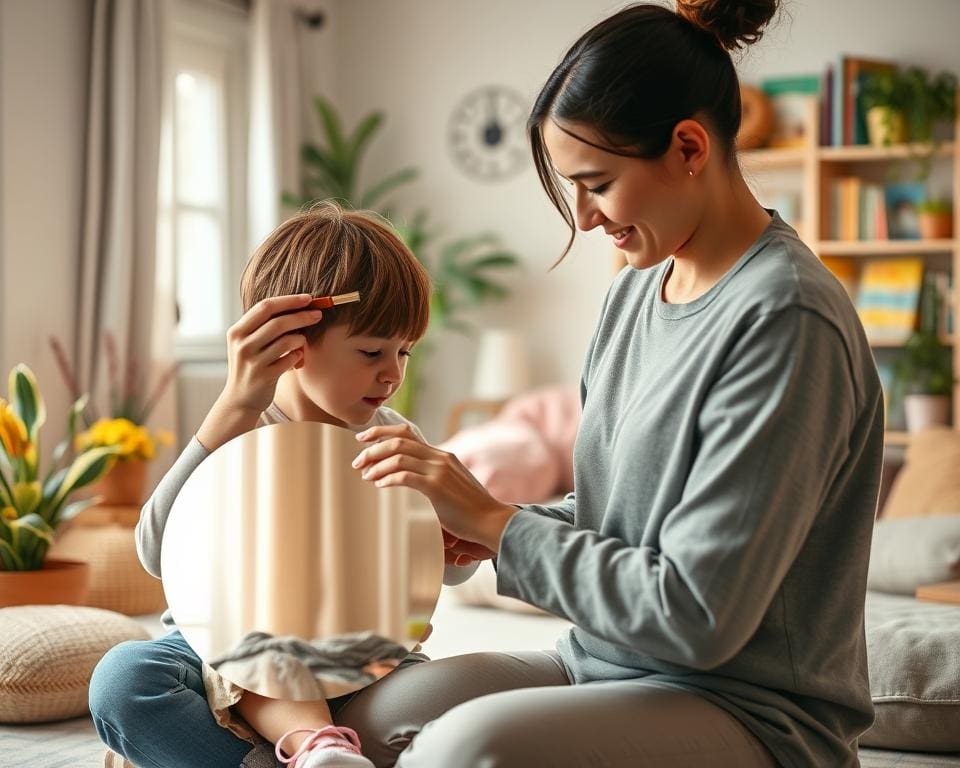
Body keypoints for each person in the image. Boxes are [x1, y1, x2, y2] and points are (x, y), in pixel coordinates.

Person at [339, 2, 885, 767]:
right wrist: (481, 522)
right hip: (603, 661)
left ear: (688, 146)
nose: (586, 218)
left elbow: (697, 615)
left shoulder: (786, 320)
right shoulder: (636, 292)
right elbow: (614, 514)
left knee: (462, 751)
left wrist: (500, 523)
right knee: (365, 716)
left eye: (597, 184)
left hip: (750, 710)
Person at [89, 202, 479, 768]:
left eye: (403, 352)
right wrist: (234, 405)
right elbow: (155, 554)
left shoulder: (394, 437)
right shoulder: (242, 427)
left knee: (453, 698)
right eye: (372, 351)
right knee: (124, 680)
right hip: (217, 654)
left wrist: (447, 523)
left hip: (359, 654)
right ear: (290, 341)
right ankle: (309, 750)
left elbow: (453, 569)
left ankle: (308, 750)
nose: (393, 373)